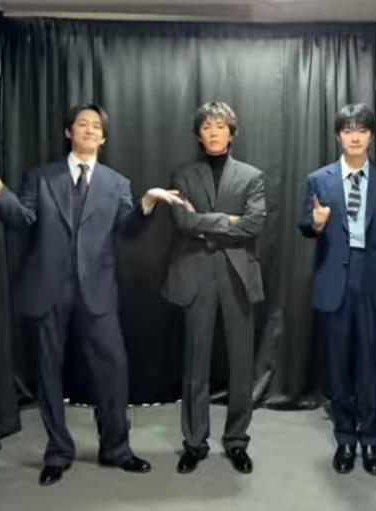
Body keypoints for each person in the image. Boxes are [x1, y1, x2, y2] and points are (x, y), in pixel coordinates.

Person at [0, 103, 185, 486]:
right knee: (47, 373)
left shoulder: (117, 183)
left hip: (97, 291)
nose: (89, 130)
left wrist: (147, 203)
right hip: (46, 289)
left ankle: (116, 448)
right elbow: (23, 220)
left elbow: (128, 229)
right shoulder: (41, 177)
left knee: (113, 370)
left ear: (103, 137)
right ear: (68, 132)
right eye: (82, 124)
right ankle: (58, 452)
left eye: (96, 126)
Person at [299, 103, 376, 476]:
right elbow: (306, 225)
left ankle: (371, 440)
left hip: (373, 277)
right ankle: (346, 438)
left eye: (362, 129)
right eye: (348, 130)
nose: (355, 136)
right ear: (338, 135)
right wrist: (317, 223)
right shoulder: (319, 180)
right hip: (335, 278)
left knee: (371, 363)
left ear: (371, 135)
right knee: (338, 364)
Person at [164, 102, 266, 474]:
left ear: (231, 133)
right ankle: (194, 442)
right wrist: (227, 221)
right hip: (197, 274)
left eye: (220, 126)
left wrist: (206, 223)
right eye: (206, 126)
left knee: (241, 363)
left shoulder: (251, 176)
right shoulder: (183, 174)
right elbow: (182, 221)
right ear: (198, 134)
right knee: (196, 362)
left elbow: (254, 223)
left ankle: (237, 440)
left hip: (238, 275)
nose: (213, 132)